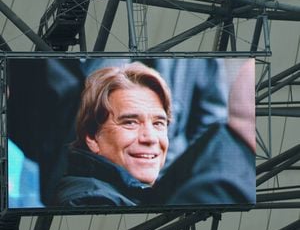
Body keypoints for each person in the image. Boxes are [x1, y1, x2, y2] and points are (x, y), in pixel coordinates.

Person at [52, 60, 256, 208]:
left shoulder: (128, 194)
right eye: (130, 122)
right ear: (92, 136)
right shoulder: (89, 202)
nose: (150, 138)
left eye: (159, 123)